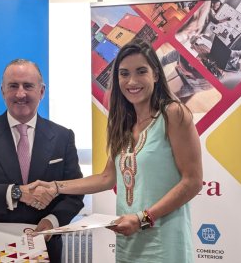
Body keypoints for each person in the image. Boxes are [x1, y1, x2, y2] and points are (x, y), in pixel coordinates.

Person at [31, 39, 203, 262]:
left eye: (141, 71)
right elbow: (106, 177)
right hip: (129, 240)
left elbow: (192, 181)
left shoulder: (173, 114)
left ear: (156, 75)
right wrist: (55, 187)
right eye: (124, 74)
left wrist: (143, 218)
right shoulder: (121, 124)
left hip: (164, 242)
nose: (132, 81)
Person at [0, 59, 84, 262]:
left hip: (42, 246)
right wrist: (16, 192)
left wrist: (52, 221)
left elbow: (74, 192)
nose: (20, 94)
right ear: (3, 91)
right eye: (13, 86)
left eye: (28, 86)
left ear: (41, 91)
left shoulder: (62, 137)